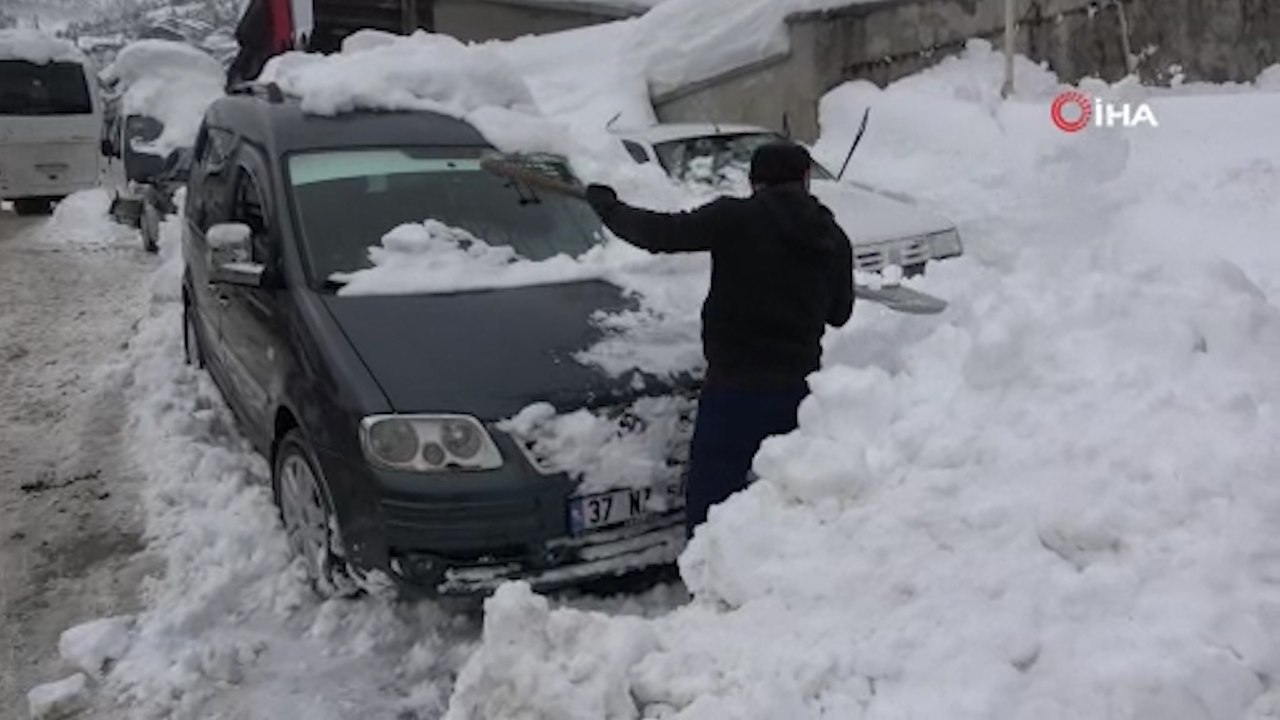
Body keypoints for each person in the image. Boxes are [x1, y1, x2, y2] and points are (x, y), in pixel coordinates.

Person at [584, 141, 855, 538]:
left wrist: (609, 209)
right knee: (787, 495)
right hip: (797, 391)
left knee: (714, 504)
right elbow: (840, 314)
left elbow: (663, 233)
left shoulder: (734, 218)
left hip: (734, 388)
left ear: (753, 180)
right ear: (805, 178)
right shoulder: (832, 236)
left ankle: (713, 583)